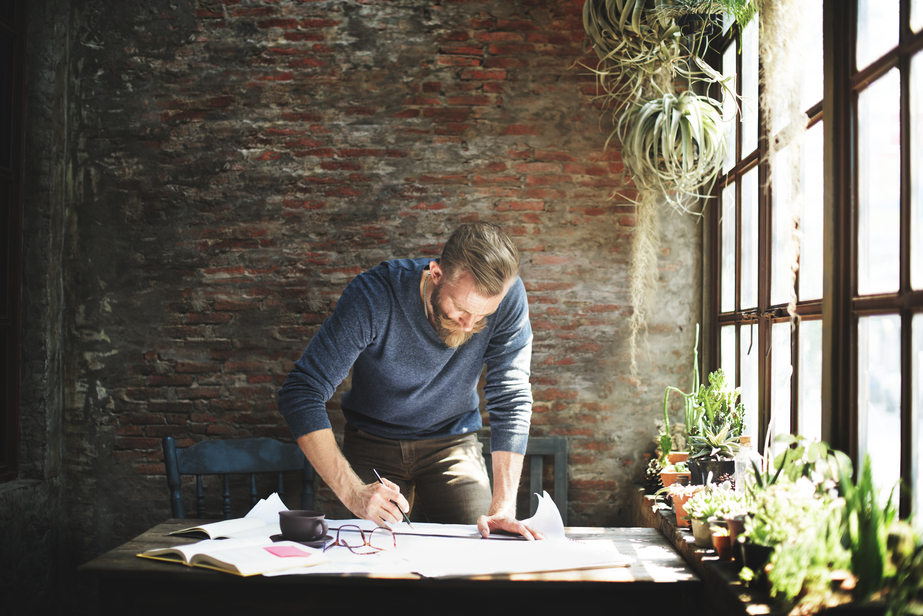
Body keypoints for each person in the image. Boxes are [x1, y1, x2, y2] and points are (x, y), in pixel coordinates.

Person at [278, 222, 540, 539]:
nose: (470, 325)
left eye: (483, 315)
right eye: (460, 308)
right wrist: (353, 493)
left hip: (453, 442)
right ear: (435, 274)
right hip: (373, 440)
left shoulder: (509, 298)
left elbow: (511, 398)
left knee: (483, 544)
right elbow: (301, 391)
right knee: (375, 554)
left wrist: (503, 507)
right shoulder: (374, 296)